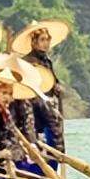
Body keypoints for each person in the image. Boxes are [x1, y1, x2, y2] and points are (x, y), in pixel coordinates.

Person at [13, 19, 70, 153]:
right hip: (36, 110)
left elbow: (52, 82)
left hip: (50, 108)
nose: (46, 43)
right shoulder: (27, 62)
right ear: (34, 42)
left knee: (54, 147)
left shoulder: (46, 61)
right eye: (42, 40)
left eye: (47, 40)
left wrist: (57, 87)